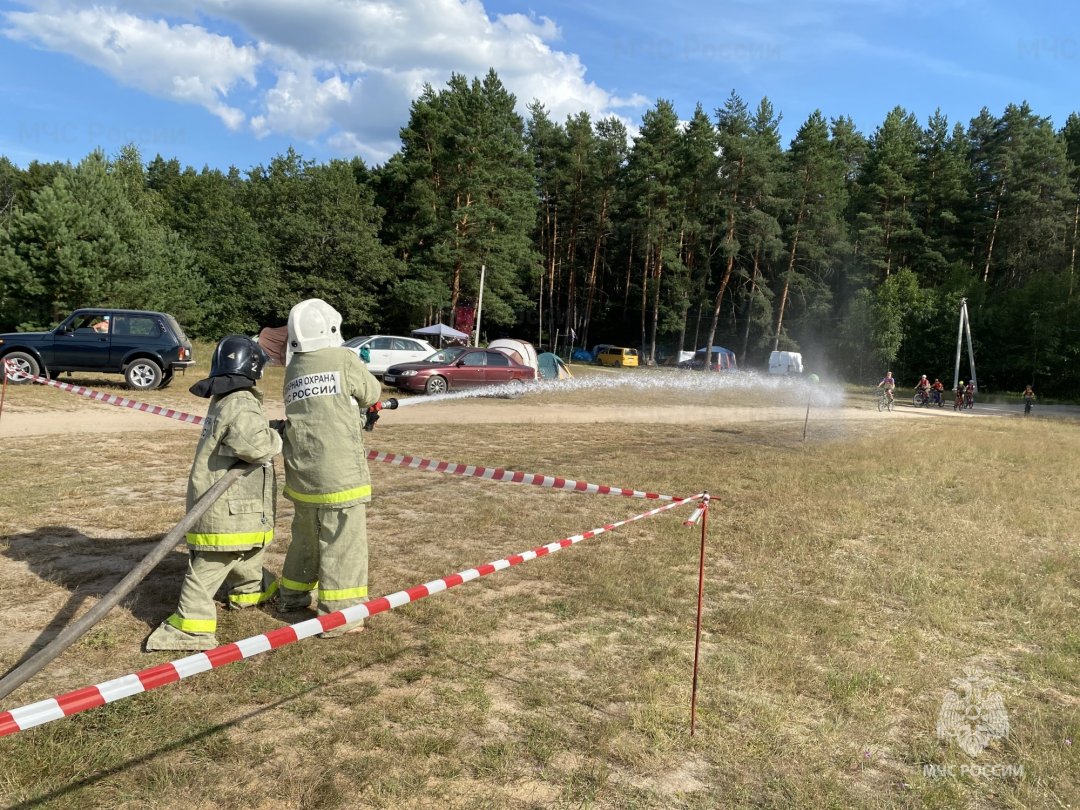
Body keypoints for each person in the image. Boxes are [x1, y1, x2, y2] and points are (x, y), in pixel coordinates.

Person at [146, 335, 282, 651]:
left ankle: (249, 591)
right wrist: (277, 439)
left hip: (235, 506)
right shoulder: (242, 402)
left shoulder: (226, 400)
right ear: (254, 368)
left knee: (246, 553)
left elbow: (243, 431)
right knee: (211, 561)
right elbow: (255, 446)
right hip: (227, 507)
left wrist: (271, 425)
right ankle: (190, 626)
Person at [277, 299, 382, 638]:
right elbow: (371, 391)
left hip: (303, 472)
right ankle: (341, 617)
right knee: (343, 544)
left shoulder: (294, 368)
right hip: (340, 474)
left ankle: (292, 596)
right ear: (331, 329)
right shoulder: (342, 359)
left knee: (305, 539)